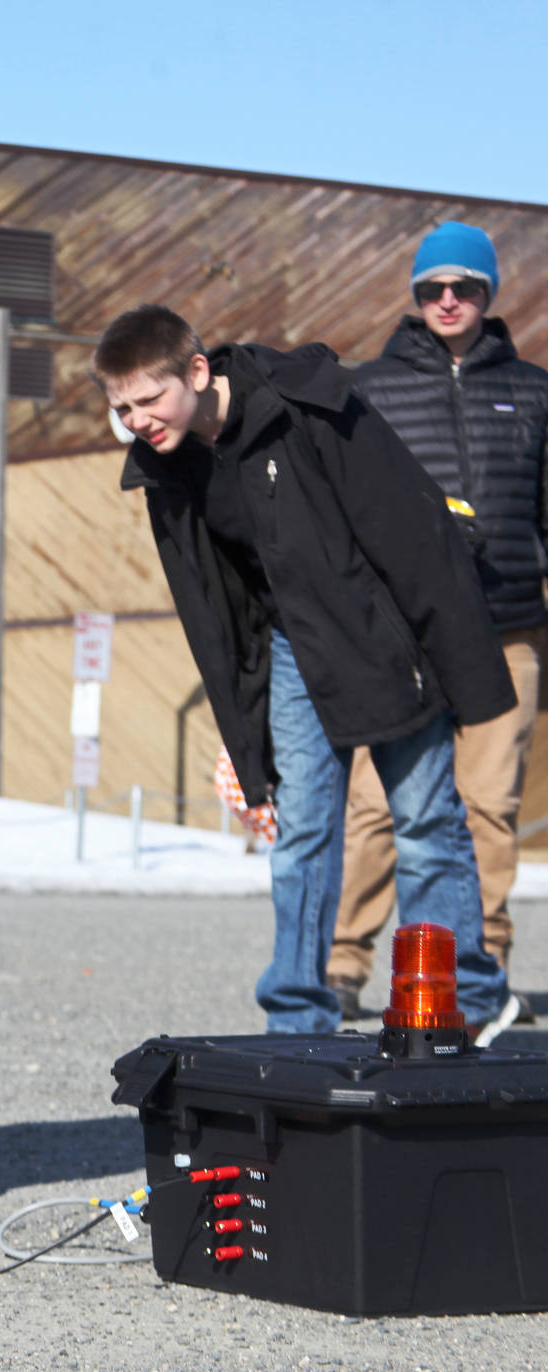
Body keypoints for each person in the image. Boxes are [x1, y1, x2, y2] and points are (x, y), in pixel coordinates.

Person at [97, 304, 515, 1035]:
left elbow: (410, 528)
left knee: (424, 821)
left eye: (148, 398)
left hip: (381, 638)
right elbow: (215, 608)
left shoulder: (307, 405)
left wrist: (458, 663)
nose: (137, 419)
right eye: (121, 406)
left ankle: (462, 994)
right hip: (295, 650)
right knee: (303, 832)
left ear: (196, 371)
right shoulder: (170, 467)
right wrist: (242, 714)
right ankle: (296, 1008)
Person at [329, 223, 548, 1043]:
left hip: (509, 624)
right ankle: (346, 963)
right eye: (432, 288)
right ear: (415, 300)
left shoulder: (534, 392)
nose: (447, 300)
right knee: (377, 804)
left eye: (463, 286)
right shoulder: (371, 389)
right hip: (406, 632)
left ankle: (479, 966)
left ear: (489, 293)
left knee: (490, 805)